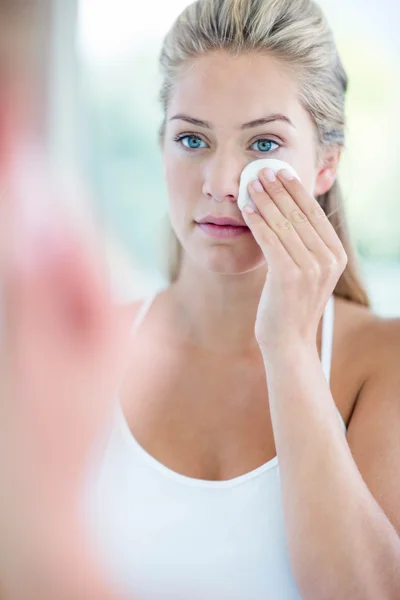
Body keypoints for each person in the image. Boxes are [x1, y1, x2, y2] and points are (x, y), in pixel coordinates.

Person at [1, 0, 400, 599]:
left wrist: (289, 348)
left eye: (263, 145)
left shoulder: (381, 361)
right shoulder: (80, 351)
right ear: (161, 145)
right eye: (192, 139)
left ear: (325, 165)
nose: (221, 183)